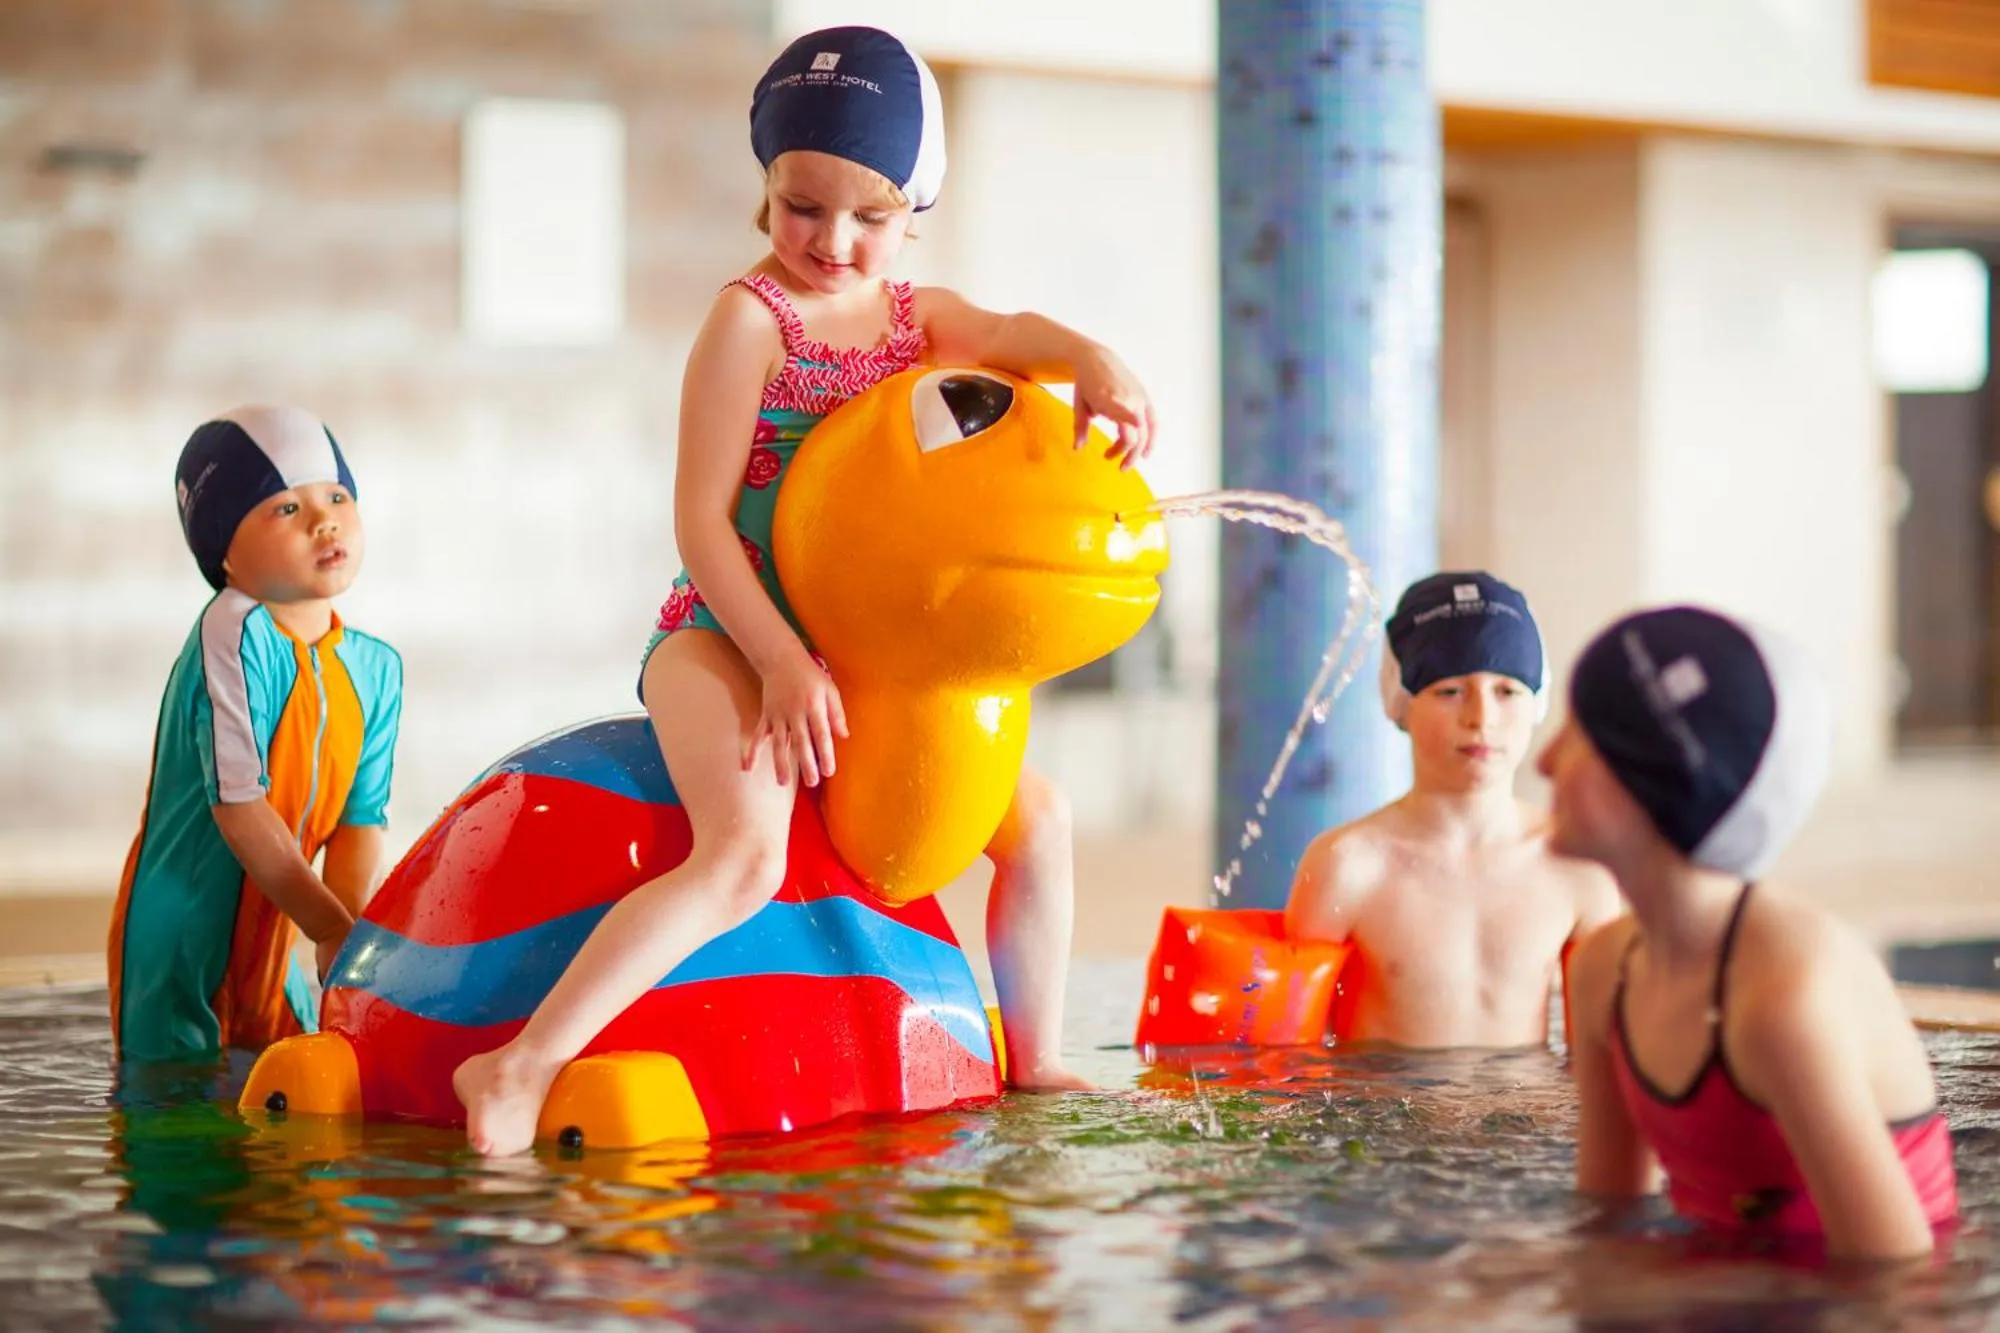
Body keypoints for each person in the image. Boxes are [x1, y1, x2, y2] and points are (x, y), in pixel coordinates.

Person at [455, 25, 1158, 1155]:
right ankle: (516, 1063)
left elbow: (1010, 335)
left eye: (868, 217)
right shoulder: (749, 321)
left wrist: (1092, 360)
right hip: (726, 635)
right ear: (767, 189)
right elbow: (697, 520)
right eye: (802, 206)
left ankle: (1032, 1055)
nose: (831, 241)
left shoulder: (915, 321)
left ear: (911, 211)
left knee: (1039, 820)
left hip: (857, 653)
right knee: (744, 853)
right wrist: (778, 660)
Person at [1549, 605, 1957, 1259]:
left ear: (1654, 779)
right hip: (1721, 1285)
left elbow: (1897, 1284)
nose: (1544, 761)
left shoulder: (1782, 998)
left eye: (1580, 736)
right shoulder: (1604, 968)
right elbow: (1609, 1220)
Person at [110, 405, 402, 1063]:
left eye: (335, 496)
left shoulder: (375, 668)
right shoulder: (234, 629)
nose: (324, 519)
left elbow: (361, 819)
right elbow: (239, 806)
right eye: (284, 509)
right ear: (225, 551)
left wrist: (346, 946)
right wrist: (328, 922)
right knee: (178, 1118)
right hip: (185, 940)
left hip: (279, 939)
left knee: (298, 1094)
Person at [1285, 571, 1621, 1047]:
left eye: (1507, 691)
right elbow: (1285, 1059)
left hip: (1526, 1118)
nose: (1480, 718)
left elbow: (1600, 1062)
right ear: (1401, 703)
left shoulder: (1578, 867)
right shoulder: (1348, 864)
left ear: (1537, 703)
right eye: (1450, 691)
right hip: (1381, 1119)